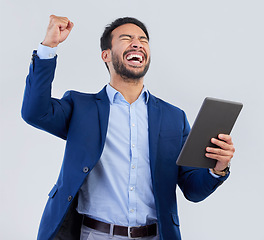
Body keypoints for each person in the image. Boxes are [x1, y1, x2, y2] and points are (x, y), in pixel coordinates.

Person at [21, 15, 235, 240]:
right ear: (106, 55)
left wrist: (218, 168)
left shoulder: (174, 117)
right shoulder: (80, 108)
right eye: (126, 38)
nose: (137, 43)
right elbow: (34, 112)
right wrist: (49, 47)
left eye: (143, 39)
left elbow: (193, 189)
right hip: (95, 235)